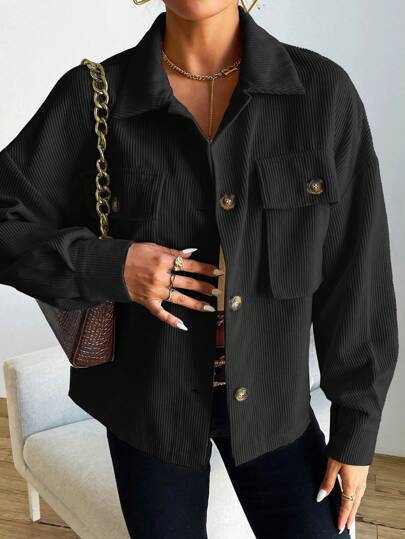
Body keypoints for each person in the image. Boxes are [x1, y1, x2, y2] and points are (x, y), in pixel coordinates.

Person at [0, 1, 399, 538]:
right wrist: (111, 265)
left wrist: (356, 433)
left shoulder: (321, 94)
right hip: (149, 411)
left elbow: (357, 274)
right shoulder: (94, 96)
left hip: (275, 407)